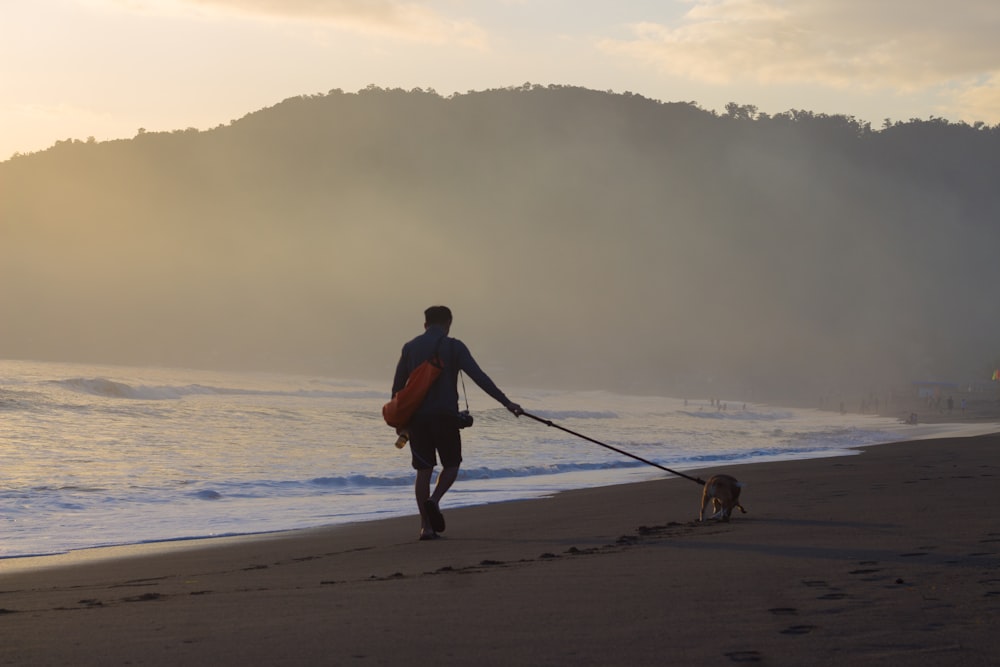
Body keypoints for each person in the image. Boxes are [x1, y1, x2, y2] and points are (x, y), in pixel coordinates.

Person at [391, 305, 523, 541]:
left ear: (425, 325)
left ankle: (426, 528)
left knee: (423, 472)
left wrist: (401, 422)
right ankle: (435, 500)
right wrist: (507, 403)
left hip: (418, 420)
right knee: (451, 465)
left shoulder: (409, 348)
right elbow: (480, 378)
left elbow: (397, 388)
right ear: (448, 324)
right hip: (445, 417)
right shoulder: (454, 347)